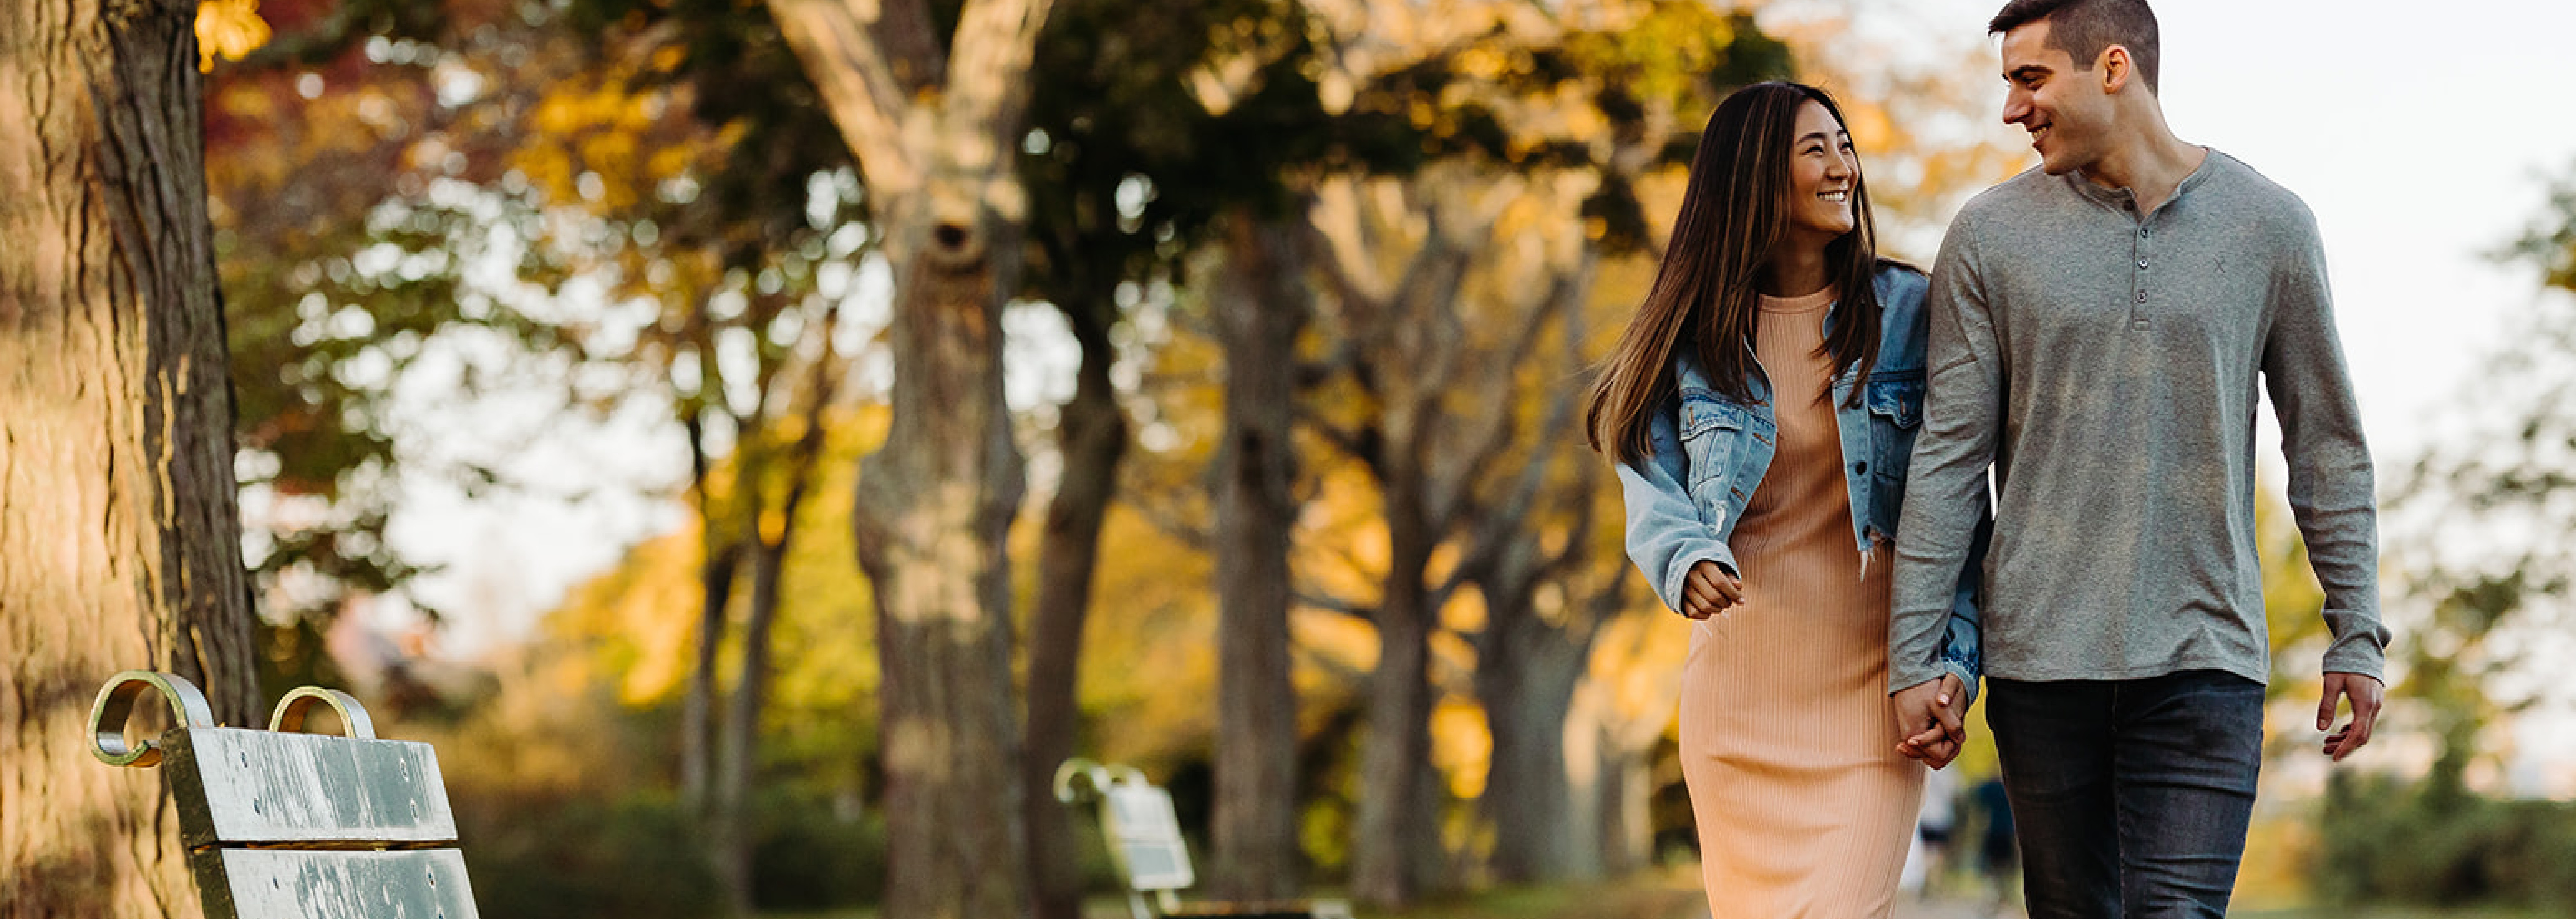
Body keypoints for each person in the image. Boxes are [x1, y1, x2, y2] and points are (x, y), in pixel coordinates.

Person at [1887, 1, 2393, 916]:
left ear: (2113, 68)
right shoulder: (1989, 237)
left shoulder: (2270, 227)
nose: (2012, 109)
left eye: (2030, 79)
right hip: (2042, 664)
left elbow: (2326, 444)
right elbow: (1949, 459)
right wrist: (1917, 653)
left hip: (2207, 660)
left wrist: (2358, 628)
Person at [1588, 80, 1990, 919]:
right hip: (1737, 710)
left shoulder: (1910, 312)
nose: (1844, 166)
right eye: (1818, 149)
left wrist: (1951, 665)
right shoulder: (1695, 332)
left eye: (1846, 146)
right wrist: (1683, 554)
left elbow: (1957, 506)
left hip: (1871, 705)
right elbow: (1639, 461)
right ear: (1752, 177)